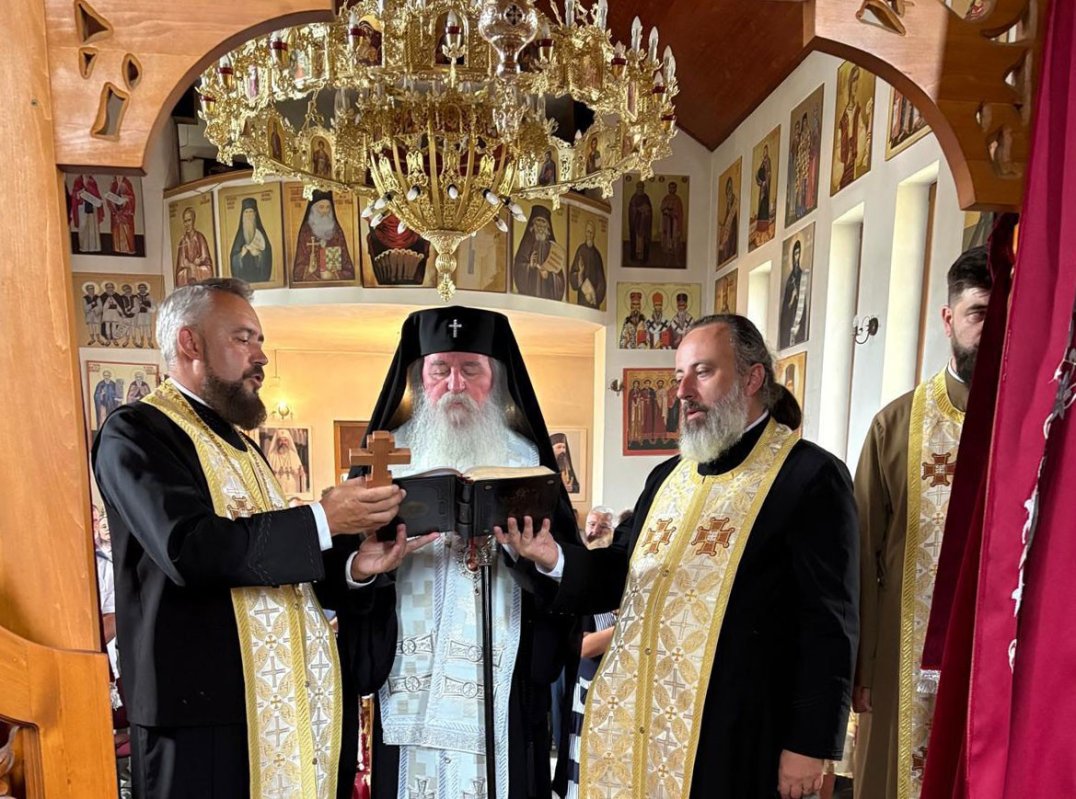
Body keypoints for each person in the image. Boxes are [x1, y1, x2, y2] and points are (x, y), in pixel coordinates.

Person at [92, 278, 435, 798]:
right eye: (243, 338)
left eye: (260, 341)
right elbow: (190, 548)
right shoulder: (137, 431)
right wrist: (323, 519)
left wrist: (355, 566)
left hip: (274, 705)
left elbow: (264, 561)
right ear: (189, 343)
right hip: (201, 717)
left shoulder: (245, 449)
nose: (261, 356)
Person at [499, 314, 859, 799]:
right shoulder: (667, 476)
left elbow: (830, 623)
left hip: (740, 729)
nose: (683, 391)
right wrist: (553, 558)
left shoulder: (809, 476)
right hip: (647, 720)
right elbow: (620, 572)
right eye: (678, 376)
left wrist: (809, 745)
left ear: (752, 378)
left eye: (702, 372)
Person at [342, 306, 579, 799]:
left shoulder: (527, 462)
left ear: (496, 379)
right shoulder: (383, 460)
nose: (455, 384)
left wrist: (538, 560)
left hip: (503, 681)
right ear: (418, 378)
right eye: (440, 370)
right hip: (408, 676)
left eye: (471, 369)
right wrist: (363, 570)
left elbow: (567, 570)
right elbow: (340, 566)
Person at [852, 247, 992, 799]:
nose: (991, 329)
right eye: (979, 313)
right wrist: (862, 668)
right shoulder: (896, 426)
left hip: (996, 652)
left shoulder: (1035, 423)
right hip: (903, 655)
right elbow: (861, 554)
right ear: (949, 319)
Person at [561, 505, 617, 799]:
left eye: (603, 528)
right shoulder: (583, 588)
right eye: (592, 525)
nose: (595, 532)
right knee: (583, 760)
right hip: (589, 687)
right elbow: (582, 646)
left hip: (616, 687)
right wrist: (627, 628)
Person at [292, 190, 356, 283]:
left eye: (328, 207)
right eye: (321, 207)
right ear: (313, 209)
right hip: (311, 287)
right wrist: (309, 270)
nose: (325, 211)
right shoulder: (305, 232)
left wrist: (333, 275)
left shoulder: (337, 232)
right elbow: (297, 274)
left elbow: (349, 270)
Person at [512, 205, 566, 300]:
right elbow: (518, 268)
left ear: (547, 227)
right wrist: (529, 266)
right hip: (528, 298)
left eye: (543, 222)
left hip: (547, 299)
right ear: (533, 224)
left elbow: (559, 278)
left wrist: (549, 275)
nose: (540, 226)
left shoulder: (552, 247)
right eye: (538, 221)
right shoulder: (526, 244)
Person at [837, 65, 871, 191]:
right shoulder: (844, 116)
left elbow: (863, 133)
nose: (855, 85)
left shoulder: (859, 111)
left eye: (857, 80)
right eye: (853, 80)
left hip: (855, 163)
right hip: (846, 167)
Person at [229, 198, 273, 283]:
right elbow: (233, 258)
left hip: (259, 277)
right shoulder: (240, 235)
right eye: (246, 212)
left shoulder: (261, 233)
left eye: (251, 212)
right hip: (243, 279)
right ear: (243, 215)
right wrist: (241, 255)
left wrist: (259, 255)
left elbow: (268, 254)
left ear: (255, 214)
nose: (248, 215)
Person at [568, 220, 606, 309]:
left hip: (593, 299)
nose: (589, 234)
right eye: (588, 232)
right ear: (585, 233)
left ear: (594, 235)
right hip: (582, 297)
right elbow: (573, 273)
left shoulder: (597, 255)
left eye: (591, 232)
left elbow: (601, 281)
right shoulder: (580, 250)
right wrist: (580, 273)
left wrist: (594, 296)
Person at [779, 240, 810, 349]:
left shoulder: (802, 275)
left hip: (797, 318)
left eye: (798, 253)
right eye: (795, 253)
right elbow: (786, 304)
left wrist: (797, 295)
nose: (796, 256)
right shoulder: (790, 278)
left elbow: (802, 302)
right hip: (789, 315)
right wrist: (792, 297)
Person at [175, 206, 214, 286]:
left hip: (200, 274)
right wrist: (189, 267)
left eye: (189, 220)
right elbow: (180, 270)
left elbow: (207, 264)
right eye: (185, 221)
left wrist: (197, 266)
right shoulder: (182, 242)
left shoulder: (200, 238)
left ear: (193, 220)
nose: (187, 224)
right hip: (188, 278)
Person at [71, 173, 104, 253]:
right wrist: (79, 193)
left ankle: (94, 247)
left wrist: (99, 201)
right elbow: (74, 195)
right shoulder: (78, 181)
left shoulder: (92, 181)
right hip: (82, 207)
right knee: (83, 226)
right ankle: (84, 247)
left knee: (92, 228)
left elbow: (96, 194)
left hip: (92, 207)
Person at [108, 175, 138, 255]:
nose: (118, 177)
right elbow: (110, 197)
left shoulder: (127, 184)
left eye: (120, 176)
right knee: (117, 229)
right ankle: (117, 248)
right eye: (117, 176)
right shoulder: (113, 184)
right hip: (116, 211)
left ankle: (128, 249)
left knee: (126, 229)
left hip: (125, 212)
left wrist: (125, 198)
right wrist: (111, 200)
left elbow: (131, 197)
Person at [627, 181, 652, 264]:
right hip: (636, 223)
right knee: (636, 240)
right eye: (639, 187)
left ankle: (644, 258)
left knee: (644, 240)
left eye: (642, 187)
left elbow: (649, 210)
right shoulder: (634, 198)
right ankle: (635, 257)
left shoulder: (646, 197)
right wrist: (638, 210)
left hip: (644, 224)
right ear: (637, 188)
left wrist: (646, 211)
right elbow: (632, 210)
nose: (640, 189)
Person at [660, 181, 684, 262]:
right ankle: (667, 259)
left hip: (675, 223)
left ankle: (676, 259)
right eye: (670, 188)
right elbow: (662, 208)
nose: (672, 189)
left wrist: (673, 213)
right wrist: (666, 210)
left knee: (675, 240)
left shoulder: (678, 199)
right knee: (667, 240)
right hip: (667, 223)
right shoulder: (665, 198)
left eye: (673, 188)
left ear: (676, 189)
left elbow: (680, 213)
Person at [718, 176, 739, 264]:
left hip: (732, 226)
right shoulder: (728, 201)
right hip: (728, 227)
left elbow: (732, 217)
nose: (729, 191)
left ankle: (729, 253)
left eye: (730, 188)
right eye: (728, 188)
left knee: (730, 240)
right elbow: (727, 216)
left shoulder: (734, 201)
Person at [755, 144, 773, 240]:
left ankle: (765, 225)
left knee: (764, 204)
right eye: (764, 151)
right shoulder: (763, 162)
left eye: (766, 151)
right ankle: (760, 226)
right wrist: (760, 180)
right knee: (761, 205)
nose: (765, 153)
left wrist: (766, 180)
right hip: (762, 186)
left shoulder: (768, 161)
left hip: (766, 187)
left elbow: (768, 173)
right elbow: (759, 173)